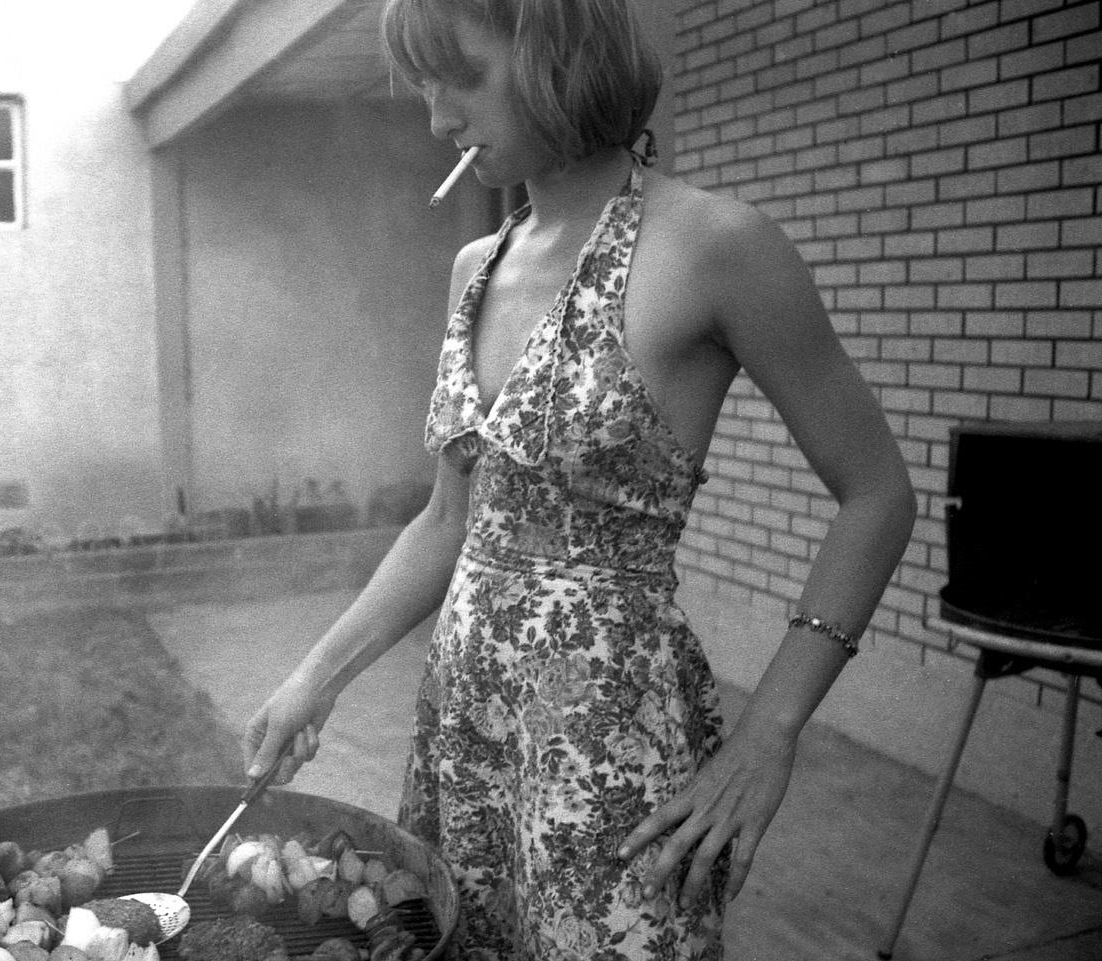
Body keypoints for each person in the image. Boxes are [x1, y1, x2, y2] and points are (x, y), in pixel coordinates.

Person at [242, 0, 917, 957]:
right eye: (422, 86)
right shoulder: (477, 265)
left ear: (554, 50)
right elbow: (449, 521)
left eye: (457, 76)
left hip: (607, 747)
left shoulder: (714, 246)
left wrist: (773, 728)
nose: (436, 118)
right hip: (467, 736)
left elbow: (878, 493)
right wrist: (315, 678)